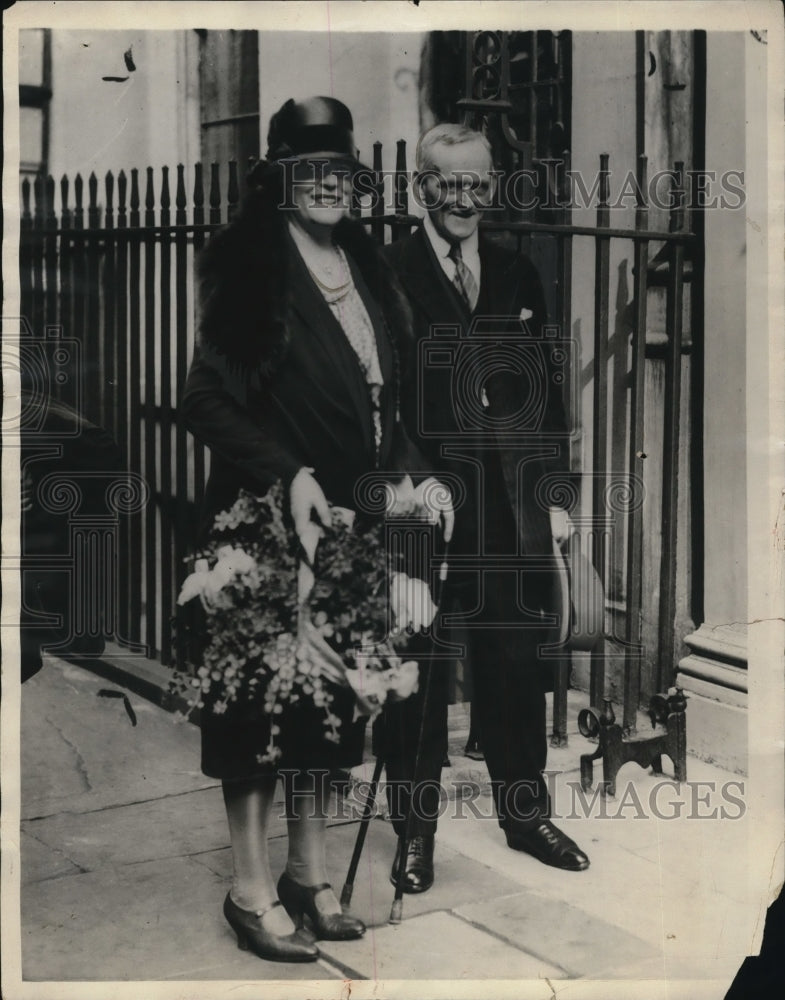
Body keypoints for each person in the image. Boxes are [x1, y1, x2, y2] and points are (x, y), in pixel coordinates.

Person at [181, 96, 443, 963]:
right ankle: (249, 891)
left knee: (327, 711)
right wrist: (287, 472)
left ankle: (308, 876)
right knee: (255, 712)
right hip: (262, 528)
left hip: (347, 530)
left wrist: (411, 474)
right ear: (280, 179)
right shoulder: (251, 266)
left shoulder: (367, 267)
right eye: (309, 170)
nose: (329, 184)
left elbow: (383, 406)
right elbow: (205, 399)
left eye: (341, 171)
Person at [378, 123, 590, 894]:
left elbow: (543, 396)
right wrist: (411, 484)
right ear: (421, 187)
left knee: (512, 660)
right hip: (423, 505)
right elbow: (379, 398)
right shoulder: (386, 274)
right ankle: (414, 831)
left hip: (506, 502)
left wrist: (553, 498)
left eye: (476, 183)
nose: (463, 199)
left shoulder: (515, 272)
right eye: (448, 183)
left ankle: (524, 815)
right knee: (419, 667)